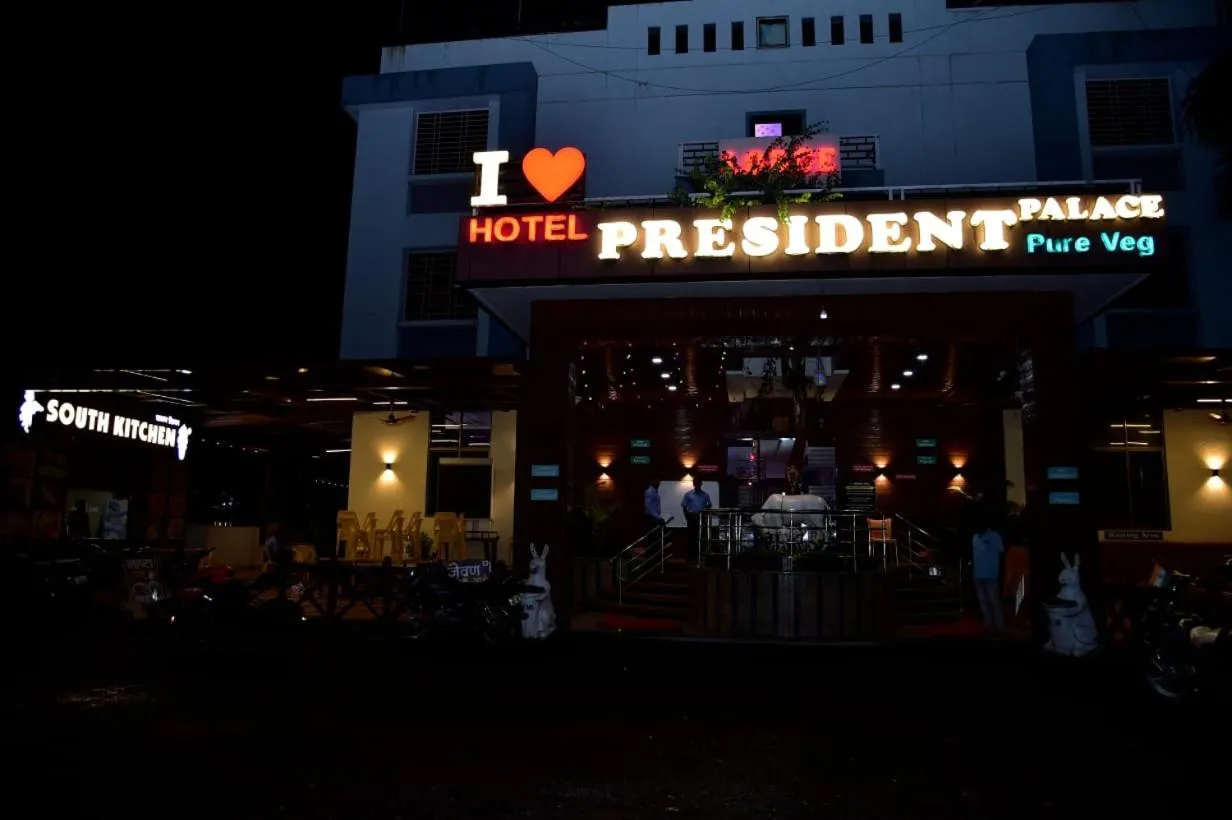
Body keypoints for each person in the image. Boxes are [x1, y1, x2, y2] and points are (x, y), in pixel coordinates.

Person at [972, 517, 1006, 631]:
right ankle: (988, 623)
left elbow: (1001, 549)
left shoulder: (994, 536)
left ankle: (999, 625)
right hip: (978, 574)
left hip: (990, 574)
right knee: (983, 601)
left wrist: (990, 544)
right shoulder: (975, 537)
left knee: (993, 601)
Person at [681, 478, 713, 561]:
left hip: (701, 517)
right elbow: (684, 506)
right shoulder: (688, 494)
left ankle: (699, 557)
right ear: (694, 484)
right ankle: (689, 557)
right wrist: (687, 516)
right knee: (690, 538)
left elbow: (709, 505)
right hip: (691, 517)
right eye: (696, 483)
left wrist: (704, 512)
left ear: (701, 484)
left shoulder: (705, 495)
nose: (697, 484)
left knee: (700, 537)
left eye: (699, 483)